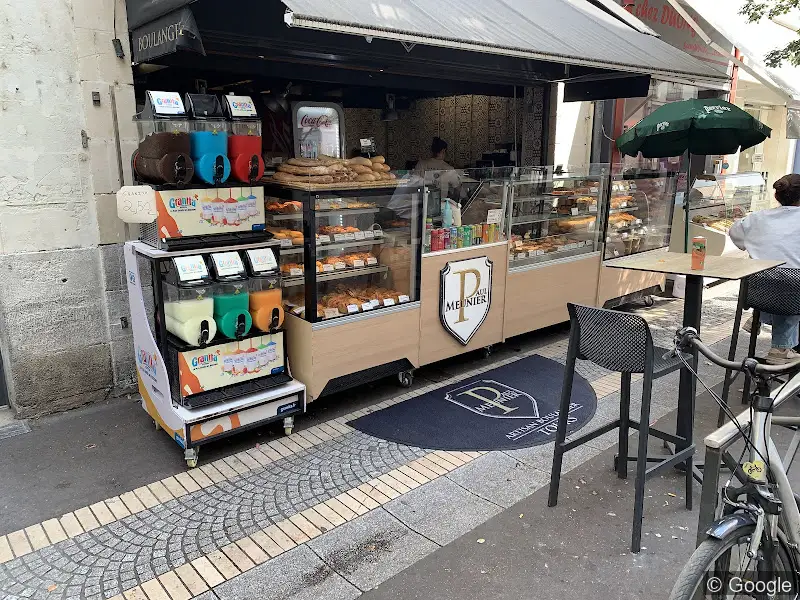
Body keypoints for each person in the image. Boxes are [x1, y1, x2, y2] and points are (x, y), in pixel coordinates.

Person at [729, 173, 800, 364]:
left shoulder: (758, 217)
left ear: (777, 196)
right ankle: (781, 347)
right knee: (790, 281)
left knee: (776, 277)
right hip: (793, 294)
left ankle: (758, 316)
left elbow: (736, 236)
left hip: (755, 291)